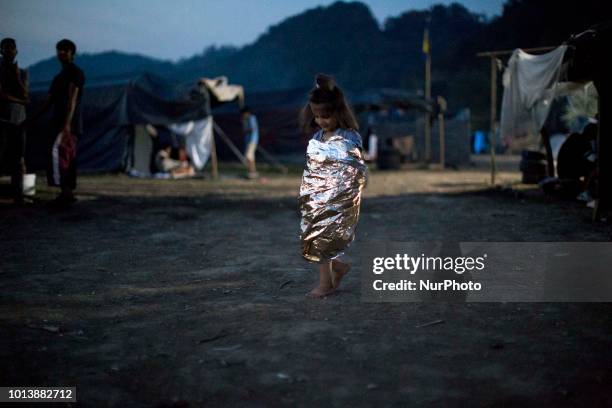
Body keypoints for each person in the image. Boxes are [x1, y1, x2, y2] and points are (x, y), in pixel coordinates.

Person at [298, 74, 367, 298]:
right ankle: (338, 266)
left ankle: (325, 284)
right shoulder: (319, 135)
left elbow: (354, 167)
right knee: (317, 235)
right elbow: (314, 168)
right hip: (318, 197)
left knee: (324, 236)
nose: (321, 121)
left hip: (338, 198)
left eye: (326, 116)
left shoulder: (349, 136)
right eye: (317, 116)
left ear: (339, 112)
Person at [27, 39, 85, 207]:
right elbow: (49, 102)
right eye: (59, 50)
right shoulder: (58, 78)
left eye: (65, 50)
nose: (62, 53)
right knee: (66, 157)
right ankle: (67, 192)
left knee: (58, 154)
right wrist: (31, 118)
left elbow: (72, 100)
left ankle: (65, 191)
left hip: (69, 124)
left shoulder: (76, 73)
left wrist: (67, 124)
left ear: (72, 53)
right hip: (58, 122)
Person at [0, 38, 29, 203]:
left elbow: (26, 95)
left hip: (19, 121)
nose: (9, 50)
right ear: (1, 51)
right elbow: (1, 95)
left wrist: (17, 77)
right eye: (6, 48)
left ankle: (20, 195)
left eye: (12, 48)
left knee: (19, 158)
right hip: (3, 120)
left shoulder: (23, 72)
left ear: (16, 51)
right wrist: (21, 101)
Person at [240, 106, 258, 178]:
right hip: (249, 140)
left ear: (247, 113)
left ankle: (252, 172)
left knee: (248, 156)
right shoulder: (246, 119)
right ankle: (253, 172)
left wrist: (246, 130)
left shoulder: (251, 118)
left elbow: (253, 128)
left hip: (252, 140)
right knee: (251, 157)